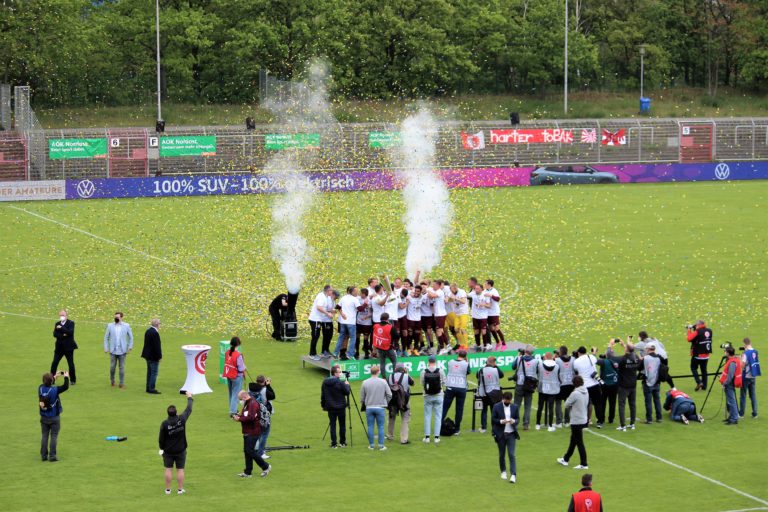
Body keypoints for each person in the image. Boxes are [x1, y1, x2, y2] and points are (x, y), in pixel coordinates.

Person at [159, 391, 193, 495]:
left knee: (168, 469)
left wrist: (161, 448)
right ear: (176, 412)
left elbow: (161, 438)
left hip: (168, 451)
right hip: (181, 450)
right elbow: (189, 409)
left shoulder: (165, 424)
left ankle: (168, 490)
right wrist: (190, 397)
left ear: (167, 413)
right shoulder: (181, 419)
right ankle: (180, 489)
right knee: (180, 469)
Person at [233, 390, 271, 477]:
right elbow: (246, 415)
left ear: (244, 397)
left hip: (253, 431)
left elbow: (250, 417)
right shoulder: (248, 403)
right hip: (248, 431)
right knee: (247, 451)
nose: (240, 402)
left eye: (240, 399)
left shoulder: (252, 404)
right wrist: (239, 416)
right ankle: (247, 472)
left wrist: (239, 419)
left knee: (250, 451)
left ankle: (266, 466)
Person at [606, 339, 641, 431]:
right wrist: (624, 345)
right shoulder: (636, 357)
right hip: (633, 384)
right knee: (632, 404)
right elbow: (631, 352)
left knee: (622, 405)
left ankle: (623, 425)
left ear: (626, 350)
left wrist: (610, 345)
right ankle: (632, 424)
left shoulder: (622, 359)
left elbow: (610, 356)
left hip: (623, 385)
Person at [557, 375, 590, 470]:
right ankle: (565, 459)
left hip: (576, 420)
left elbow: (567, 404)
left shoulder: (575, 393)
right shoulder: (586, 391)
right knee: (573, 440)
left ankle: (584, 464)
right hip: (583, 418)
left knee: (579, 442)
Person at [38, 371, 69, 462]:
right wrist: (66, 377)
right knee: (54, 436)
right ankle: (52, 456)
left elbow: (46, 383)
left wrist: (55, 377)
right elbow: (65, 386)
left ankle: (43, 456)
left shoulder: (40, 388)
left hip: (43, 417)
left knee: (44, 436)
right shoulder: (55, 390)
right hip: (54, 417)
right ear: (51, 381)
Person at [360, 365, 392, 450]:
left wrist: (365, 403)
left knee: (370, 426)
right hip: (380, 407)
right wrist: (385, 402)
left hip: (369, 407)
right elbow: (389, 394)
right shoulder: (383, 382)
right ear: (378, 372)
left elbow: (362, 397)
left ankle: (371, 445)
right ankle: (381, 445)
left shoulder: (365, 382)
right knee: (381, 427)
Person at [491, 391, 520, 483]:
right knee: (502, 454)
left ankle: (513, 475)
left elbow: (517, 419)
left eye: (509, 400)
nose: (508, 402)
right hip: (501, 434)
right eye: (506, 400)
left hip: (511, 433)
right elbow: (493, 419)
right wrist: (501, 421)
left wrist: (513, 421)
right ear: (503, 399)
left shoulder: (515, 407)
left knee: (512, 454)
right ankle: (503, 471)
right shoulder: (496, 406)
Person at [573, 346, 604, 427]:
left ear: (579, 353)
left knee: (585, 404)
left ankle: (585, 422)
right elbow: (595, 359)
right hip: (594, 383)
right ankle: (600, 421)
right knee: (598, 404)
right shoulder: (591, 357)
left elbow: (576, 370)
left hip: (584, 386)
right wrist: (593, 352)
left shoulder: (576, 361)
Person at [442, 349, 471, 434]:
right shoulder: (466, 364)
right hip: (461, 388)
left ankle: (439, 426)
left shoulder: (450, 362)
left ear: (457, 354)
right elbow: (468, 372)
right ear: (465, 356)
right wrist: (466, 361)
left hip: (450, 386)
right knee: (459, 409)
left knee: (445, 407)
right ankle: (457, 429)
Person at [321, 364, 351, 448]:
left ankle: (334, 443)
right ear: (335, 373)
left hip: (330, 407)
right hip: (341, 407)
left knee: (332, 425)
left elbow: (323, 395)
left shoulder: (325, 382)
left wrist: (323, 405)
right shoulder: (340, 383)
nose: (341, 373)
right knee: (342, 425)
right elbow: (347, 392)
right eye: (339, 372)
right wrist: (347, 385)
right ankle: (342, 442)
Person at [103, 312, 133, 388]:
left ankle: (121, 383)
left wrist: (130, 346)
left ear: (121, 317)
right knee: (112, 367)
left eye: (117, 317)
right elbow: (106, 337)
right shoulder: (110, 326)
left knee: (122, 367)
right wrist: (106, 347)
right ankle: (112, 381)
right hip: (113, 350)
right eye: (115, 317)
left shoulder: (126, 326)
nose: (116, 318)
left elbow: (131, 337)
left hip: (122, 351)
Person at [421, 355, 446, 443]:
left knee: (427, 416)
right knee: (438, 417)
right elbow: (444, 382)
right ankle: (436, 437)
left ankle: (427, 437)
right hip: (438, 395)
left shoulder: (423, 372)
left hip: (427, 396)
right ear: (435, 361)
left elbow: (422, 383)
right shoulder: (441, 371)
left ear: (428, 362)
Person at [511, 345, 538, 430]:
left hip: (519, 383)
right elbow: (537, 371)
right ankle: (526, 424)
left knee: (516, 405)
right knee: (528, 406)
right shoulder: (536, 361)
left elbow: (513, 366)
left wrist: (518, 355)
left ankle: (515, 424)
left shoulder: (519, 358)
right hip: (530, 385)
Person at [387, 364, 414, 444]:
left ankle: (390, 435)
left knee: (391, 418)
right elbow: (413, 383)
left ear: (395, 369)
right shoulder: (406, 376)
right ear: (403, 369)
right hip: (404, 400)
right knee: (405, 419)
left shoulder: (390, 376)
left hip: (392, 400)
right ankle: (404, 439)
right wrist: (407, 373)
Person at [308, 285, 336, 361]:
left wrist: (330, 311)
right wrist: (327, 313)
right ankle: (312, 354)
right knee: (315, 336)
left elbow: (324, 308)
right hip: (315, 319)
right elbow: (319, 307)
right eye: (331, 290)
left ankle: (316, 352)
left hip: (318, 319)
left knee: (316, 336)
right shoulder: (321, 296)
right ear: (328, 291)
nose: (332, 292)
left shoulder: (326, 297)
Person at [477, 356, 504, 432]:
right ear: (494, 363)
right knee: (493, 410)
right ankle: (494, 427)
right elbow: (502, 375)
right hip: (494, 393)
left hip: (484, 393)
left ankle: (484, 427)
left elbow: (477, 377)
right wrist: (496, 366)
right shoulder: (496, 370)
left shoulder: (480, 370)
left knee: (484, 410)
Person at [251, 375, 276, 460]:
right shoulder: (265, 390)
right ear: (264, 381)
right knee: (264, 433)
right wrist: (268, 385)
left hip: (254, 413)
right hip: (264, 414)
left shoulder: (250, 388)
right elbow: (273, 396)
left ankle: (255, 448)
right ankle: (261, 452)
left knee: (257, 432)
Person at [51, 309, 77, 385]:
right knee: (54, 363)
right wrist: (63, 335)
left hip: (68, 348)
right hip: (59, 348)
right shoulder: (57, 323)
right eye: (60, 315)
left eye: (63, 315)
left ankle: (73, 380)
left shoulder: (71, 323)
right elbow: (55, 334)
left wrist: (61, 328)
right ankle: (52, 379)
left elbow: (70, 332)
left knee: (71, 364)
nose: (61, 316)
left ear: (66, 316)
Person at [334, 286, 360, 360]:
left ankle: (336, 353)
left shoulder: (343, 298)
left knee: (341, 337)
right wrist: (365, 304)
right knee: (353, 338)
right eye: (356, 291)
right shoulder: (355, 299)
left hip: (343, 322)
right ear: (352, 292)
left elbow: (337, 306)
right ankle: (350, 354)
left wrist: (342, 314)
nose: (357, 292)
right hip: (351, 322)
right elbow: (360, 309)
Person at [536, 352, 561, 432]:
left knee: (540, 407)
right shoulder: (557, 366)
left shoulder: (540, 365)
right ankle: (550, 426)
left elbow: (538, 374)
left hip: (542, 388)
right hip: (553, 389)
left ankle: (538, 424)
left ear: (546, 357)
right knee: (551, 408)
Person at [687, 320, 713, 391]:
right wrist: (695, 328)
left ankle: (699, 382)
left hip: (698, 354)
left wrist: (689, 330)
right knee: (704, 370)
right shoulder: (710, 331)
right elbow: (701, 337)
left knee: (693, 368)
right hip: (706, 355)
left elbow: (689, 338)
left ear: (698, 325)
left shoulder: (697, 331)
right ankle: (704, 386)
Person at [224, 337, 246, 416]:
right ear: (238, 344)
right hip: (236, 376)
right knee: (236, 394)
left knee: (231, 393)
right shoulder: (238, 355)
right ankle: (233, 412)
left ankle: (232, 409)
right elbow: (241, 368)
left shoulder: (227, 352)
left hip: (229, 374)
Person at [720, 345, 742, 425]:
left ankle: (734, 418)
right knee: (730, 401)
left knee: (732, 401)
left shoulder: (732, 362)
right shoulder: (733, 360)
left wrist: (724, 383)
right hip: (729, 383)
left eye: (725, 351)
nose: (724, 352)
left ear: (728, 353)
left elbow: (730, 376)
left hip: (729, 384)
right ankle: (732, 417)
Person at [641, 344, 663, 424]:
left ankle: (649, 419)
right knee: (657, 400)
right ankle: (659, 417)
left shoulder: (645, 358)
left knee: (648, 401)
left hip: (647, 382)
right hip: (657, 382)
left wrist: (641, 359)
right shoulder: (659, 357)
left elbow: (639, 367)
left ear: (648, 349)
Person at [373, 313, 399, 377]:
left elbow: (374, 336)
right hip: (388, 347)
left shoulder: (376, 326)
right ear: (387, 319)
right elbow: (397, 336)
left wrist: (374, 349)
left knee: (382, 363)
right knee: (394, 362)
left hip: (379, 347)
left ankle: (384, 377)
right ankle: (394, 376)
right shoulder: (391, 327)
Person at [596, 351, 618, 425]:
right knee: (613, 402)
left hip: (605, 385)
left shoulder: (604, 361)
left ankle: (601, 419)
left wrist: (594, 353)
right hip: (615, 384)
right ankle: (611, 419)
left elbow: (595, 361)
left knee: (602, 402)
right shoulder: (617, 360)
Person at [740, 338, 760, 419]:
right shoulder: (755, 351)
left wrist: (741, 358)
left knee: (743, 395)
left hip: (746, 376)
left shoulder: (746, 353)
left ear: (744, 344)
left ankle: (741, 413)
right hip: (753, 375)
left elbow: (742, 365)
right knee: (753, 395)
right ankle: (755, 413)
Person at [141, 318, 162, 394]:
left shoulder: (148, 331)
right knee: (154, 373)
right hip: (153, 356)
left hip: (148, 355)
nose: (160, 325)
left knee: (149, 372)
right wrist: (159, 357)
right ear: (157, 324)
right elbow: (157, 347)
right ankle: (151, 388)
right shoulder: (155, 333)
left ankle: (148, 387)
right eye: (159, 323)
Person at [484, 280, 506, 350]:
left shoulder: (494, 291)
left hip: (494, 312)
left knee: (497, 328)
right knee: (491, 328)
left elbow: (498, 299)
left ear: (489, 285)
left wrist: (491, 296)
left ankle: (504, 344)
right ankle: (498, 342)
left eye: (486, 283)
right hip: (488, 313)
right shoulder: (484, 291)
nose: (484, 284)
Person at [556, 346, 575, 427]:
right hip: (570, 384)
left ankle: (559, 422)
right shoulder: (573, 359)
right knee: (568, 403)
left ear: (560, 352)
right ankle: (567, 421)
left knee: (558, 403)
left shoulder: (557, 360)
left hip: (561, 384)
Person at [468, 283, 491, 349]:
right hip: (475, 316)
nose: (476, 290)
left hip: (483, 317)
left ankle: (485, 345)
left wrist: (483, 304)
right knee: (476, 331)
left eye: (478, 288)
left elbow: (489, 305)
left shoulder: (485, 295)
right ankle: (478, 345)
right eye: (475, 288)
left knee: (483, 331)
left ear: (481, 289)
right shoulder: (473, 294)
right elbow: (466, 295)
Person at [356, 288, 373, 359]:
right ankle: (356, 352)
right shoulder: (358, 299)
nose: (360, 294)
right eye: (360, 293)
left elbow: (372, 312)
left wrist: (366, 317)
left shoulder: (370, 301)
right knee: (357, 337)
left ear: (365, 294)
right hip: (359, 321)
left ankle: (366, 352)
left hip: (367, 323)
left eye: (361, 293)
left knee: (366, 338)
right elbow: (357, 309)